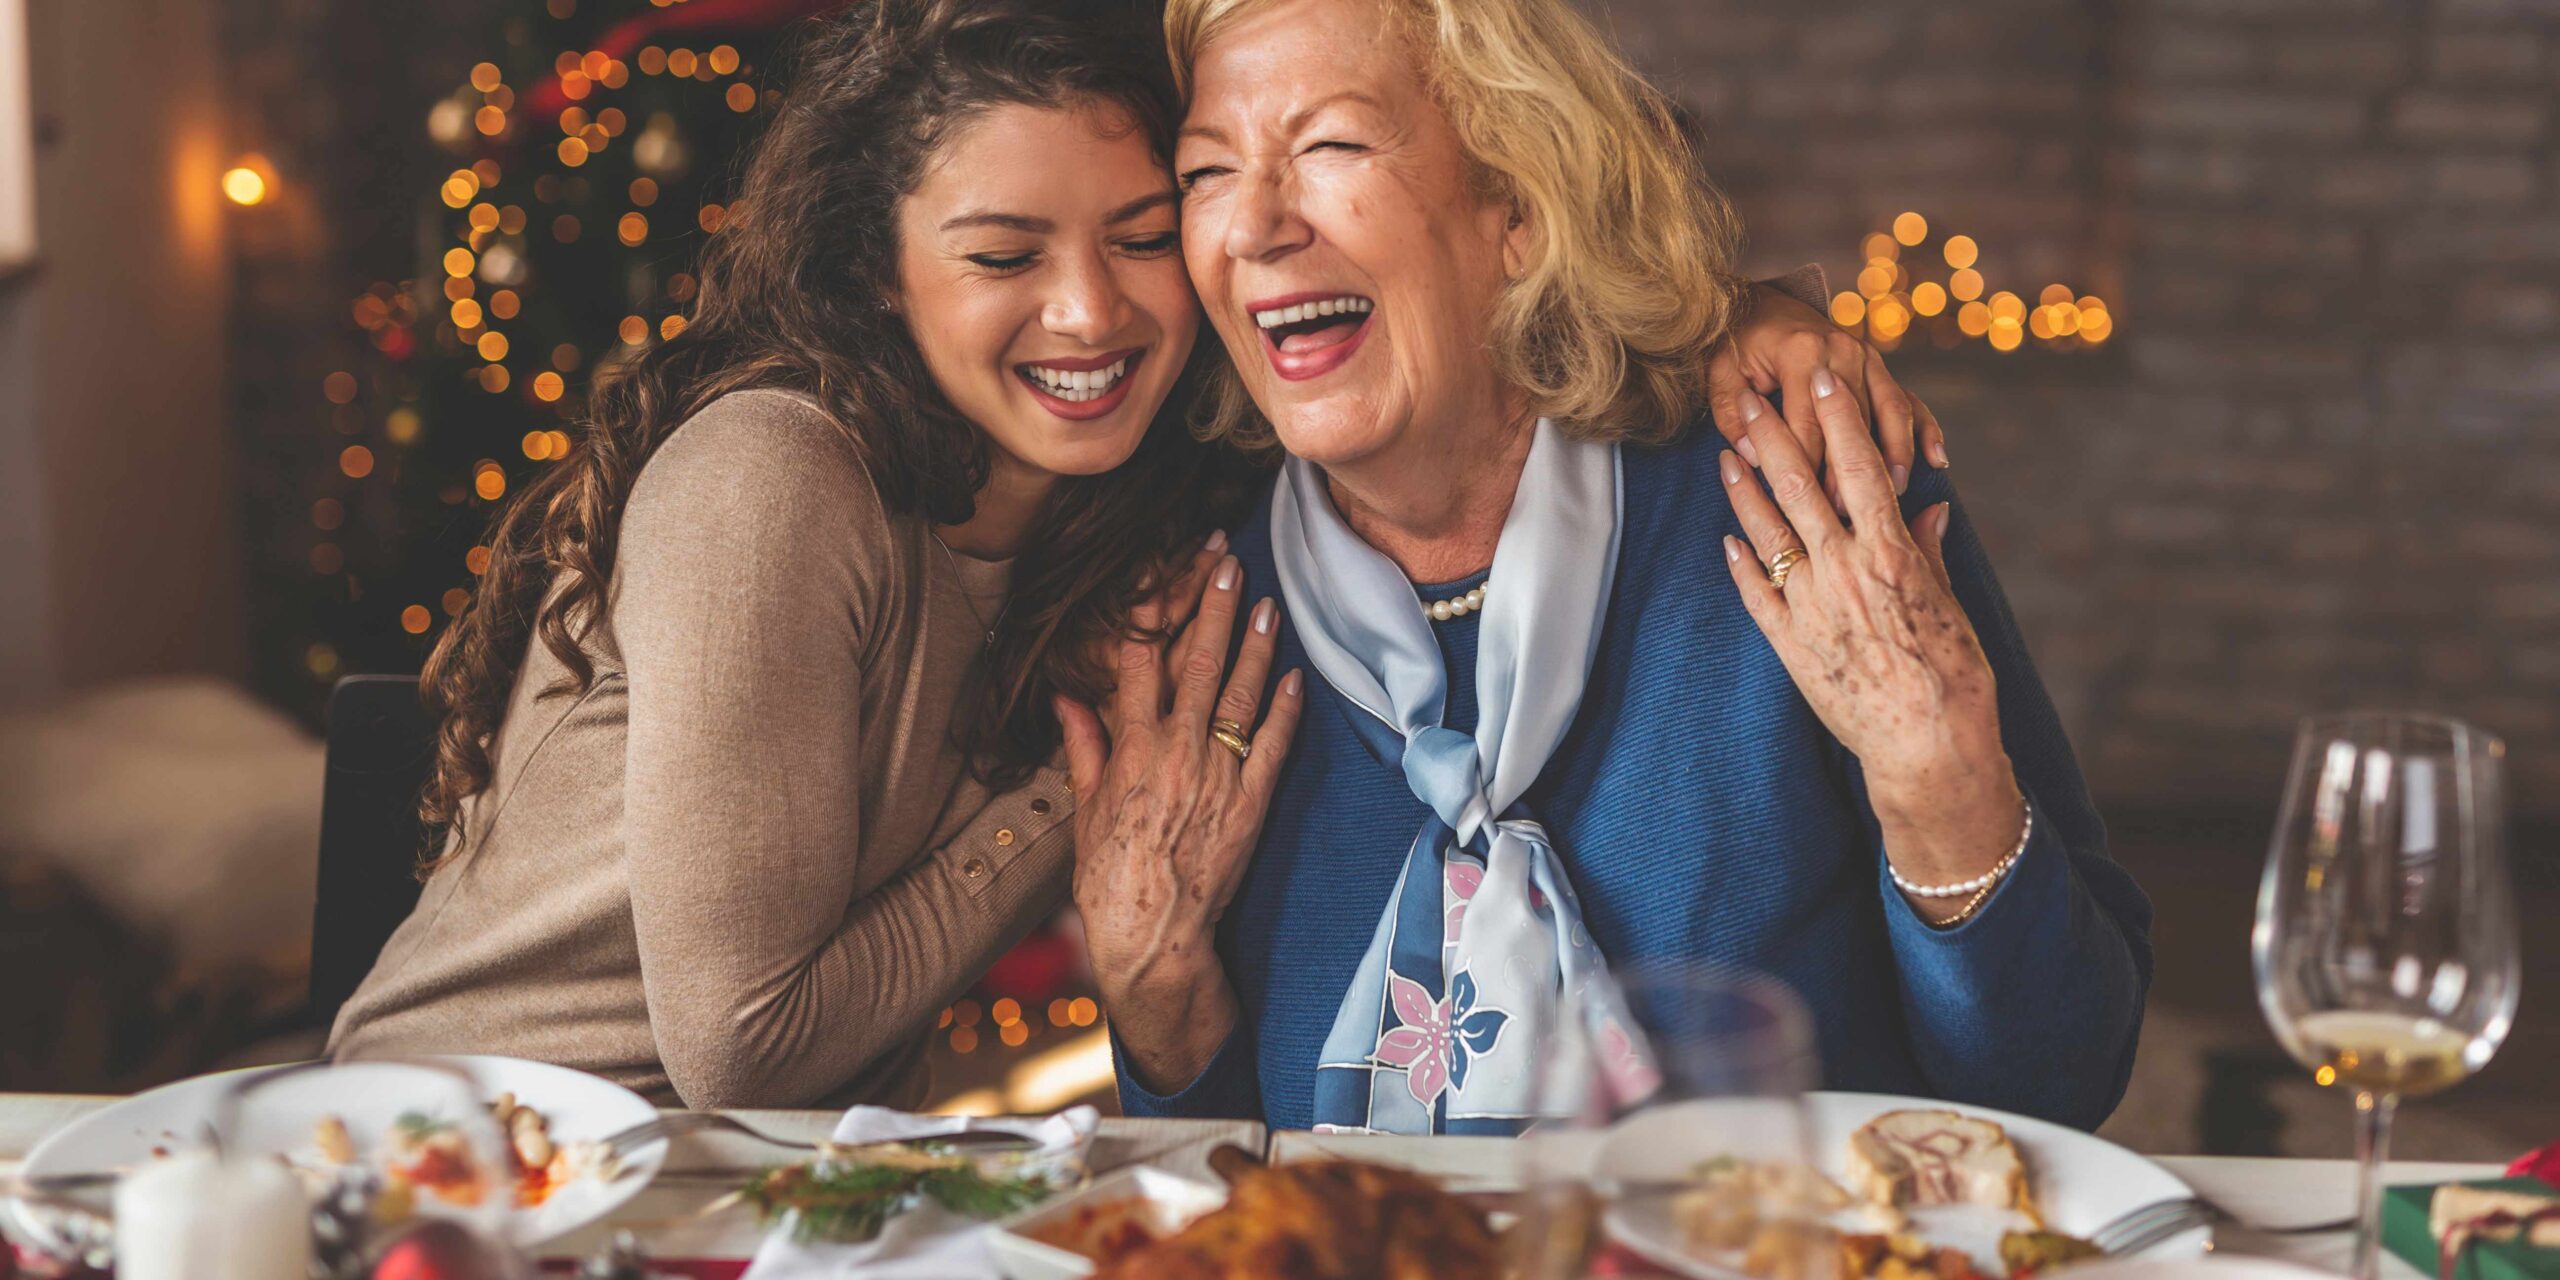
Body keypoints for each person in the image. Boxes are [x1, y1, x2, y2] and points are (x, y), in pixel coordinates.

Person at [330, 0, 1919, 1109]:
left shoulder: (1150, 485)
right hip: (468, 1158)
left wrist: (1754, 318)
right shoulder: (777, 474)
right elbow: (743, 1041)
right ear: (882, 283)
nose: (1094, 313)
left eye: (1149, 231)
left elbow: (1559, 216)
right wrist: (1070, 806)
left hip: (744, 1175)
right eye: (1003, 257)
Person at [1067, 0, 2152, 1134]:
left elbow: (2059, 1080)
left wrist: (1941, 786)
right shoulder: (1194, 609)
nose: (1251, 225)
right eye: (1204, 172)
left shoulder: (1800, 492)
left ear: (1521, 209)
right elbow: (1204, 1187)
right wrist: (1158, 1001)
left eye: (1331, 146)